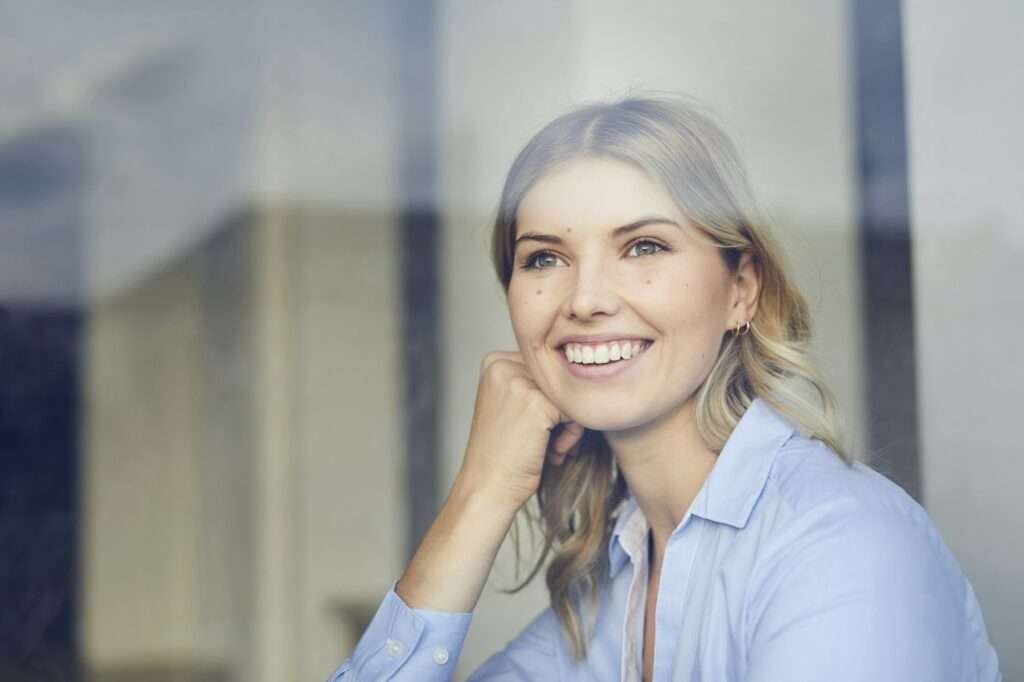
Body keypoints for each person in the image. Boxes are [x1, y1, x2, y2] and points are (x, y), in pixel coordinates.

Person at [329, 96, 1001, 681]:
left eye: (644, 246)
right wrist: (480, 495)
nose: (585, 299)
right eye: (544, 258)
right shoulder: (621, 582)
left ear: (741, 288)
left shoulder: (840, 545)